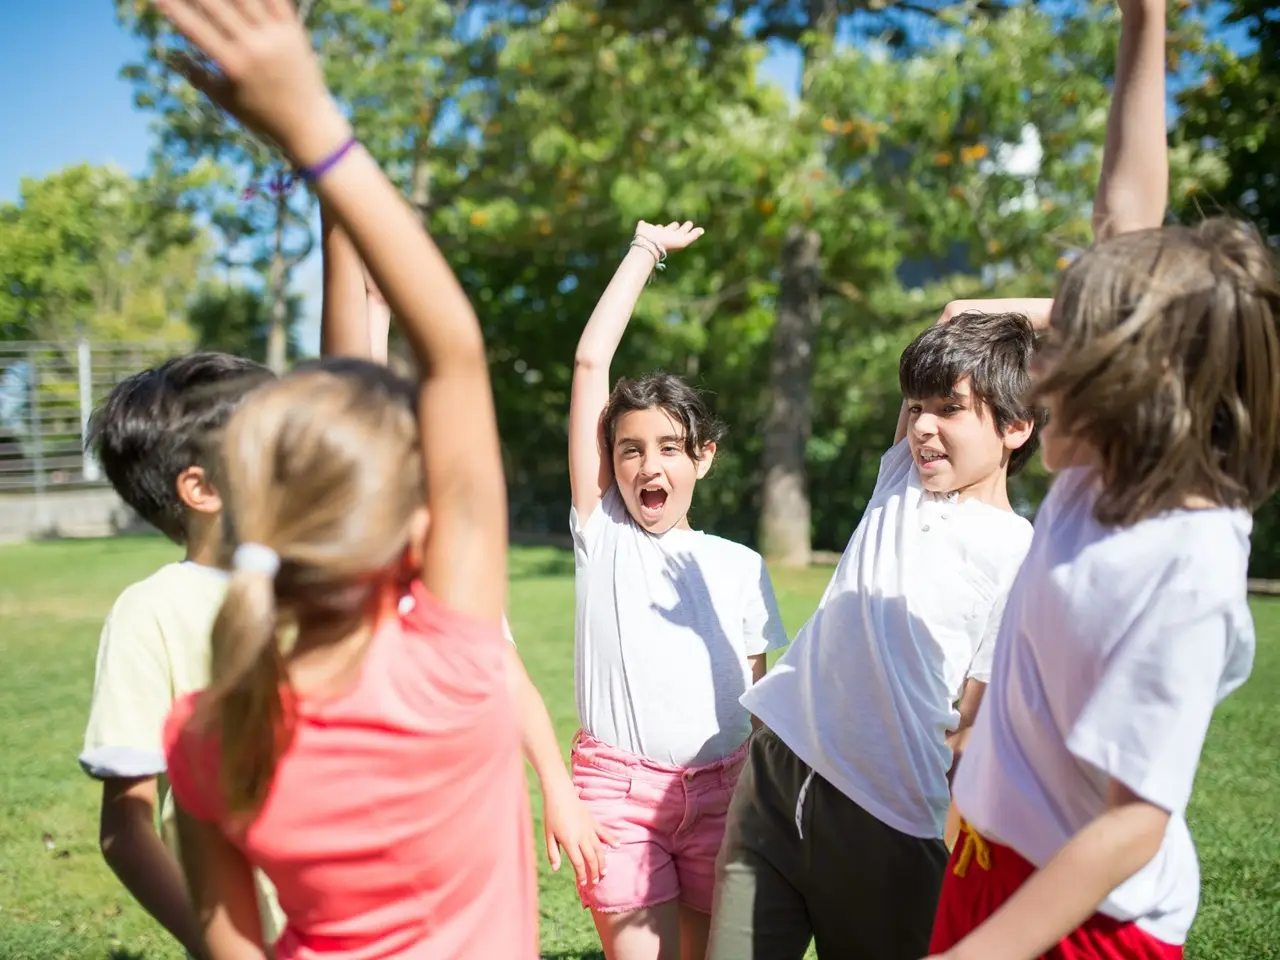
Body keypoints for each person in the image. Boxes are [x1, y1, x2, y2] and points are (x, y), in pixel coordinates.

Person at [152, 0, 536, 957]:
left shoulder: (205, 736)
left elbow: (230, 946)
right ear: (414, 527)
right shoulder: (452, 673)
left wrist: (313, 149)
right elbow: (452, 349)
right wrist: (312, 123)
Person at [925, 7, 1280, 960]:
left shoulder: (1188, 564)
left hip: (1089, 921)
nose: (1034, 375)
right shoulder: (1095, 474)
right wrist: (1143, 19)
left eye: (1059, 350)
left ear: (1137, 386)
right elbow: (1125, 214)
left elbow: (1133, 825)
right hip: (989, 860)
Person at [319, 205, 615, 888]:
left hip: (455, 830)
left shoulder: (444, 584)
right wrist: (339, 225)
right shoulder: (353, 580)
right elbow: (350, 389)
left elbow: (505, 671)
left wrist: (556, 786)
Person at [569, 220, 789, 959]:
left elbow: (756, 704)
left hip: (722, 795)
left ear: (704, 457)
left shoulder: (741, 565)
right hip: (619, 798)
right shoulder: (603, 532)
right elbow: (590, 361)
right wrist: (645, 251)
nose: (648, 465)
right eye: (629, 450)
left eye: (669, 447)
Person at [80, 351, 281, 958]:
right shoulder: (149, 614)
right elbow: (125, 828)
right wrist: (227, 948)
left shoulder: (320, 586)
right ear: (202, 488)